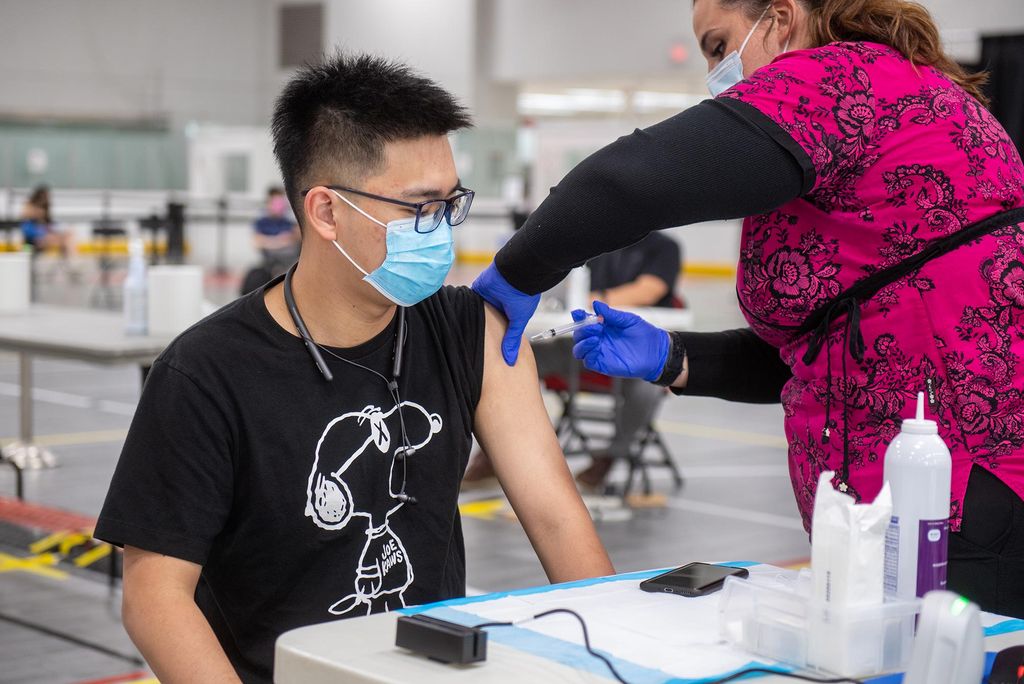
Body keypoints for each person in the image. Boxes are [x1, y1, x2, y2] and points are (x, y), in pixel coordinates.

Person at [472, 0, 1024, 618]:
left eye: (718, 46)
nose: (715, 71)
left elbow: (627, 181)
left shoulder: (846, 81)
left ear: (782, 21)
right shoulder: (901, 100)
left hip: (956, 497)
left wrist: (514, 274)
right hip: (919, 497)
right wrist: (673, 357)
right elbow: (827, 350)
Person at [94, 54, 614, 683]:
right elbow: (156, 597)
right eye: (419, 209)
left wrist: (623, 653)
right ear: (326, 212)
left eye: (451, 204)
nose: (442, 232)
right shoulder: (205, 372)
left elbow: (557, 519)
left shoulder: (471, 332)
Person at [463, 232, 683, 491]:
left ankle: (611, 456)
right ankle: (493, 453)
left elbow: (649, 290)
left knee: (648, 387)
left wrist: (596, 300)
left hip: (634, 353)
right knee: (512, 358)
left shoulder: (664, 248)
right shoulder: (604, 240)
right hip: (584, 345)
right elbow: (575, 283)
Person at [252, 186, 301, 271]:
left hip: (289, 262)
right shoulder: (261, 221)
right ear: (268, 203)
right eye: (275, 203)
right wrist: (279, 241)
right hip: (270, 264)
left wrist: (268, 241)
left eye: (281, 203)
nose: (279, 206)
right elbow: (257, 243)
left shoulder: (289, 221)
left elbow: (296, 240)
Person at [20, 185, 73, 255]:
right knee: (53, 238)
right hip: (28, 244)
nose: (47, 199)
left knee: (68, 236)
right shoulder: (29, 209)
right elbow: (27, 230)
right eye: (45, 196)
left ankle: (69, 261)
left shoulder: (44, 210)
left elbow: (48, 224)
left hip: (42, 237)